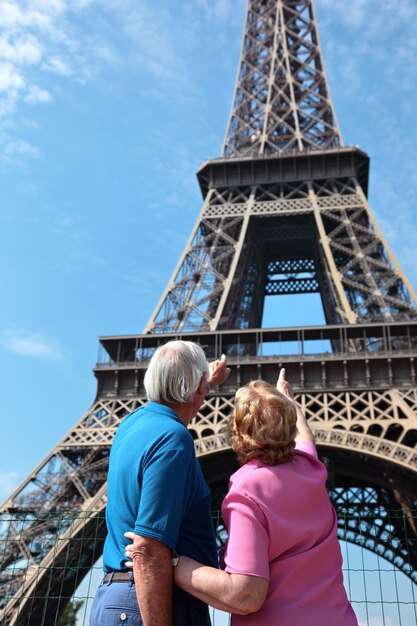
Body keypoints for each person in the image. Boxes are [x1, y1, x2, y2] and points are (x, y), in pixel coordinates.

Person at [126, 368, 358, 625]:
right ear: (288, 424)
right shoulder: (311, 469)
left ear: (237, 431)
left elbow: (245, 594)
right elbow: (305, 437)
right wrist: (288, 401)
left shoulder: (247, 491)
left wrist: (171, 562)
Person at [90, 340, 230, 626]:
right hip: (150, 601)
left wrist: (205, 382)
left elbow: (175, 408)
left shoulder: (131, 425)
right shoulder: (173, 439)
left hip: (116, 599)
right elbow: (149, 549)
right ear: (199, 386)